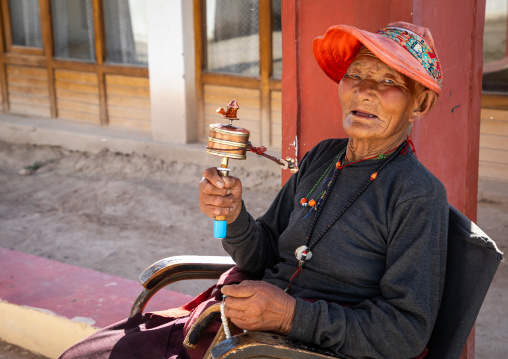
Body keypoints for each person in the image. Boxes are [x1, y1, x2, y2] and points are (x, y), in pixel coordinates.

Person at [59, 21, 448, 359]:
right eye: (356, 75)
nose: (364, 91)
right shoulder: (325, 157)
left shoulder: (417, 194)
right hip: (248, 330)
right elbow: (262, 255)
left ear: (420, 105)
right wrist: (233, 216)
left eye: (389, 82)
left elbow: (405, 335)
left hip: (302, 350)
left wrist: (289, 315)